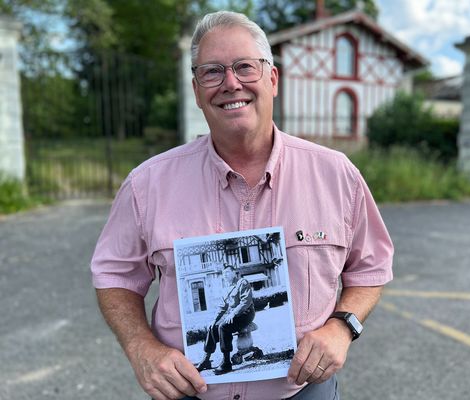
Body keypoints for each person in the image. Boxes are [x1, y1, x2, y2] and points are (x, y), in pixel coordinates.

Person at [91, 10, 393, 400]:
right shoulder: (147, 184)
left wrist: (342, 326)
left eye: (245, 67)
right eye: (212, 72)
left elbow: (370, 268)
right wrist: (141, 348)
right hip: (188, 393)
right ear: (197, 90)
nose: (230, 83)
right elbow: (115, 276)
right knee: (219, 331)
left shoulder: (337, 175)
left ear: (272, 78)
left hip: (301, 393)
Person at [198, 264, 255, 375]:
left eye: (228, 272)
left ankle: (226, 362)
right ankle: (206, 359)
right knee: (212, 327)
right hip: (234, 315)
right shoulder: (226, 289)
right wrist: (214, 320)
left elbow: (246, 302)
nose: (225, 275)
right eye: (224, 274)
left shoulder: (242, 283)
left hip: (246, 314)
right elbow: (222, 307)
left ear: (234, 272)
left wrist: (233, 313)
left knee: (224, 327)